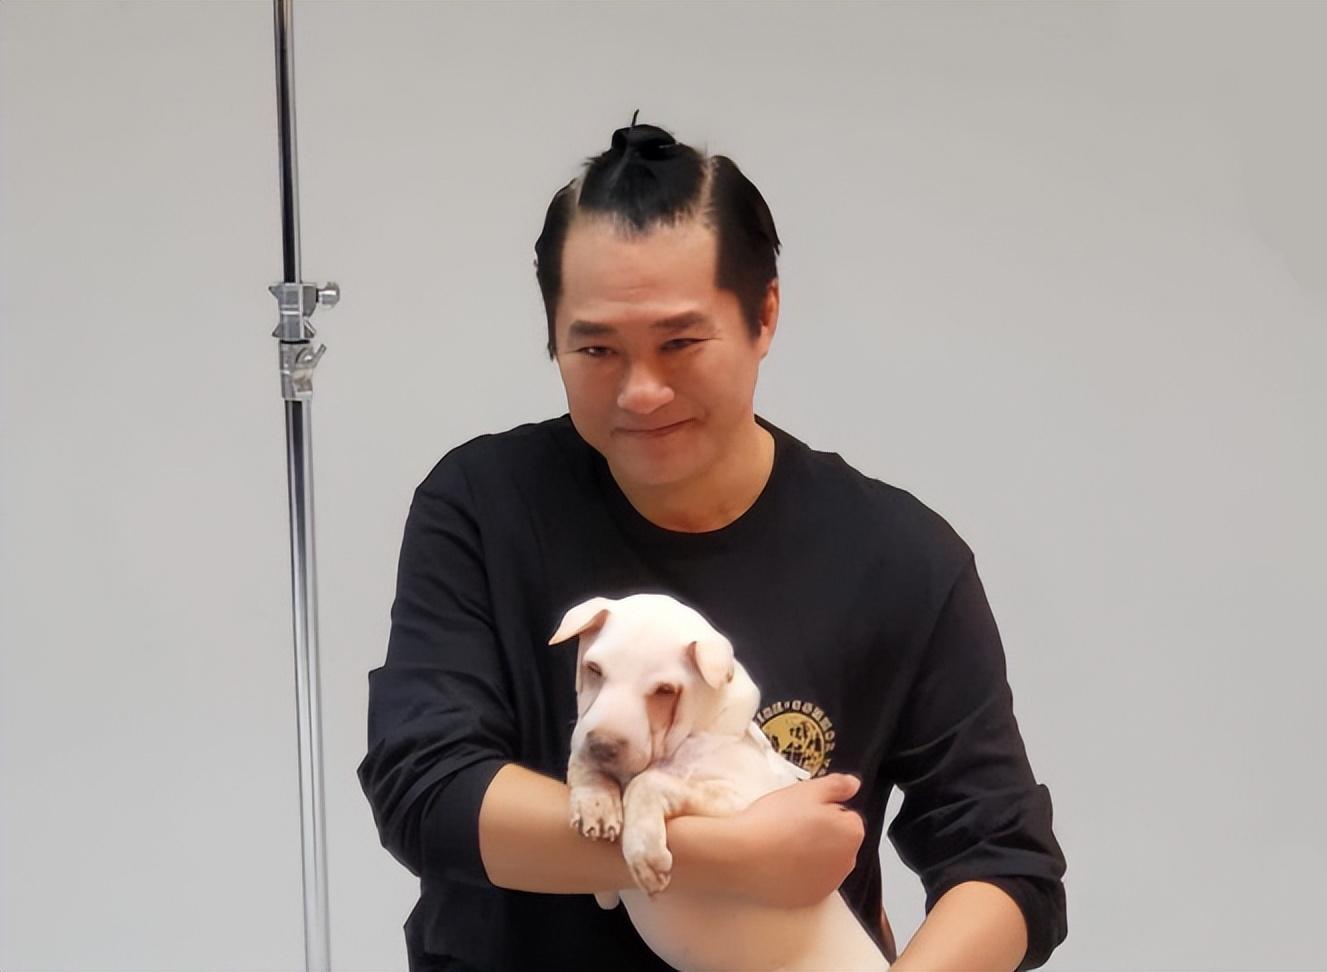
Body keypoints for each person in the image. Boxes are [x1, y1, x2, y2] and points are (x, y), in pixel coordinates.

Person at [357, 116, 1068, 972]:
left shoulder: (901, 558)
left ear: (764, 314)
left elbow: (1005, 860)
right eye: (596, 348)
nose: (641, 391)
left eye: (681, 343)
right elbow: (426, 791)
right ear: (552, 336)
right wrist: (725, 854)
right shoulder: (482, 507)